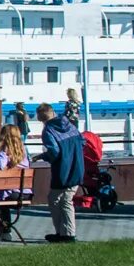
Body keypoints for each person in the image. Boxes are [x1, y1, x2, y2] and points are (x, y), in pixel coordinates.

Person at [38, 103, 85, 242]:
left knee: (56, 200)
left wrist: (43, 156)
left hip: (62, 170)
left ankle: (65, 234)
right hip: (77, 167)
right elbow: (82, 141)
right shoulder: (69, 125)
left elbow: (54, 152)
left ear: (40, 118)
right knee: (65, 200)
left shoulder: (48, 130)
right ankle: (65, 233)